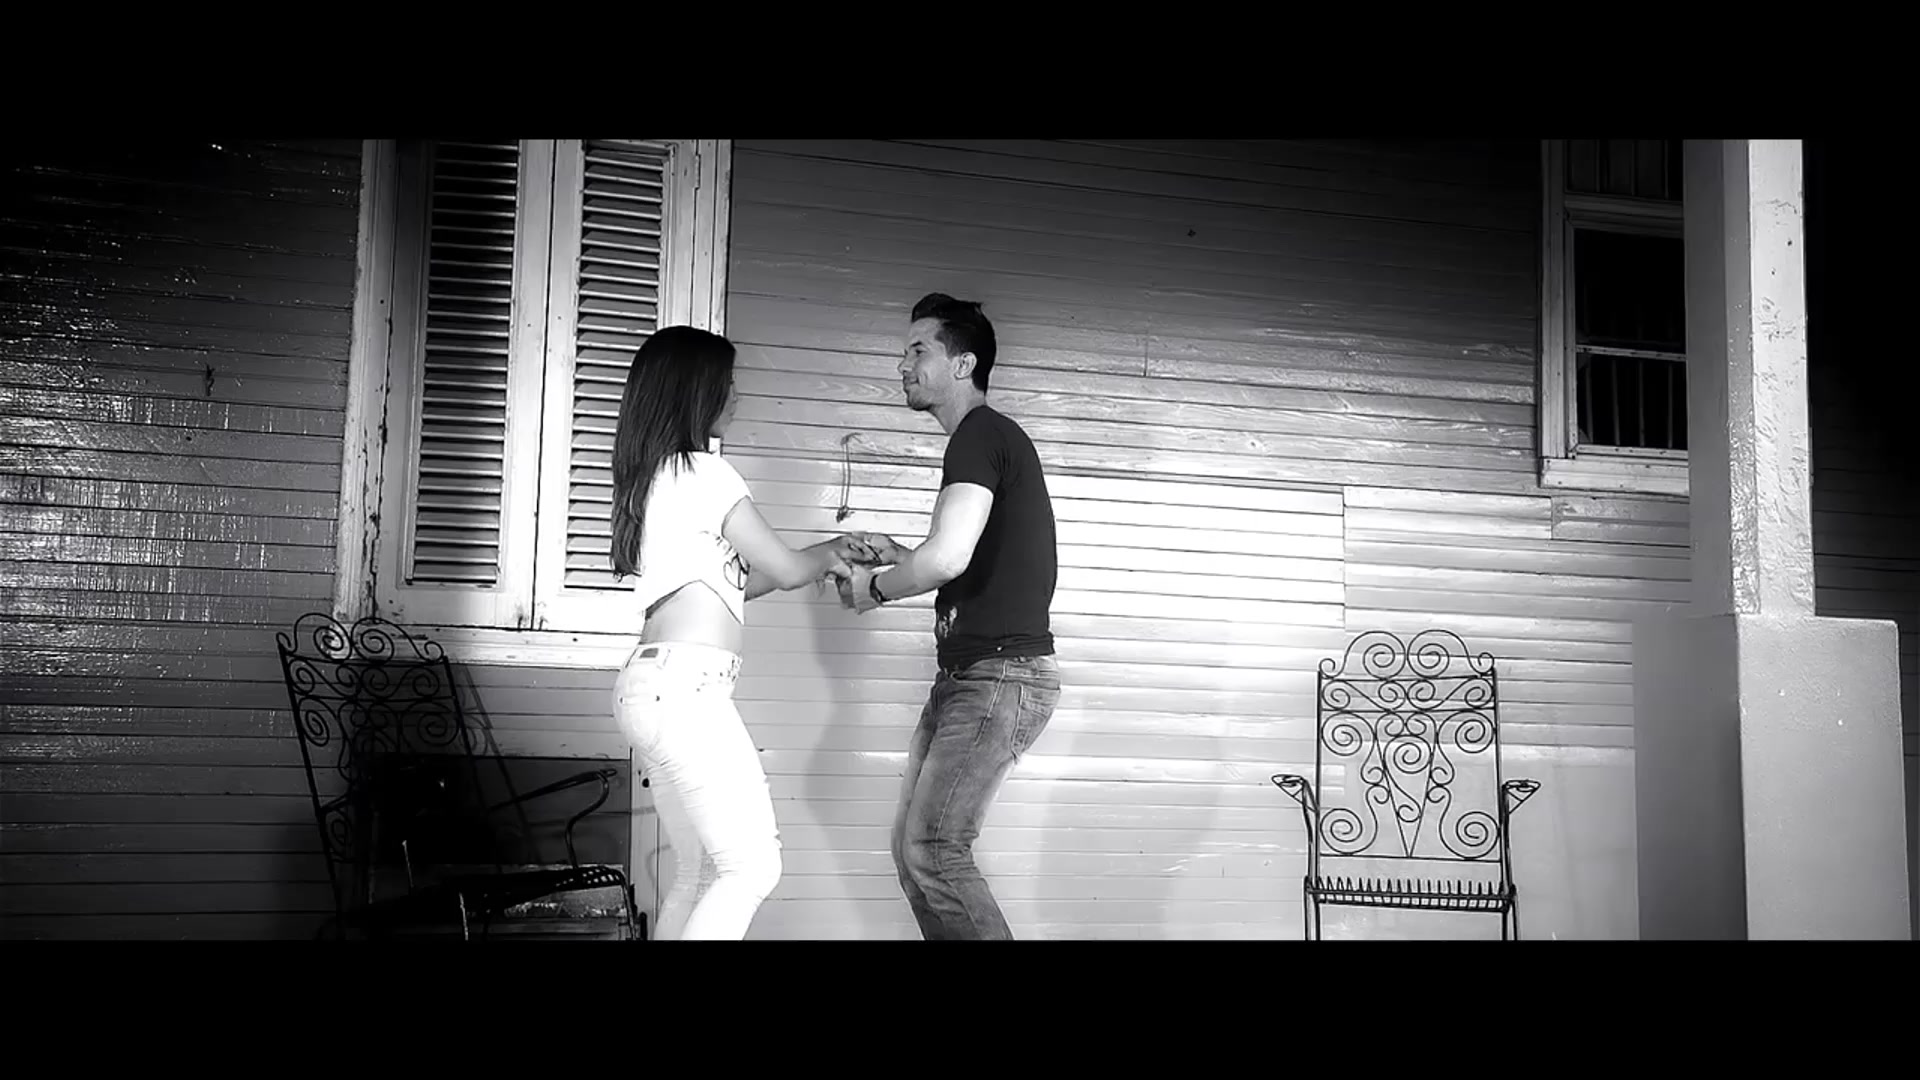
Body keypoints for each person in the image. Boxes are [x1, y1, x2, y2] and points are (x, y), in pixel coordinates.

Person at [609, 325, 873, 940]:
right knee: (752, 867)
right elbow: (786, 568)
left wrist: (827, 554)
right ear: (696, 391)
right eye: (727, 382)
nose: (737, 395)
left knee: (701, 872)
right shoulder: (705, 473)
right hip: (686, 687)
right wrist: (830, 551)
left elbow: (741, 585)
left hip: (653, 685)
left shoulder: (656, 479)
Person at [837, 293, 1061, 940]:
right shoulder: (984, 440)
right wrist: (902, 556)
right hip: (971, 675)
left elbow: (947, 558)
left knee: (934, 850)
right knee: (915, 856)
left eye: (918, 350)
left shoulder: (979, 434)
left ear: (963, 364)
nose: (902, 364)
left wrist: (875, 589)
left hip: (1000, 676)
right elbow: (958, 560)